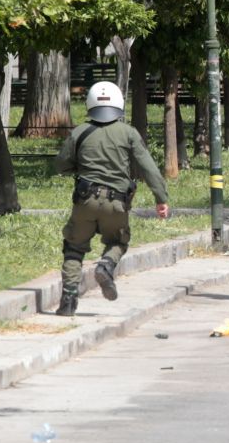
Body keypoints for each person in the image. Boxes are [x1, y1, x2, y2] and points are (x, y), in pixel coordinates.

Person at [53, 81, 169, 316]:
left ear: (90, 104)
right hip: (117, 204)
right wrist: (161, 198)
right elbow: (149, 168)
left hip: (84, 201)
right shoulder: (128, 133)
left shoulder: (80, 132)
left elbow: (60, 164)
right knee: (118, 242)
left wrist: (77, 169)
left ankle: (68, 301)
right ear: (118, 104)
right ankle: (106, 266)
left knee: (74, 248)